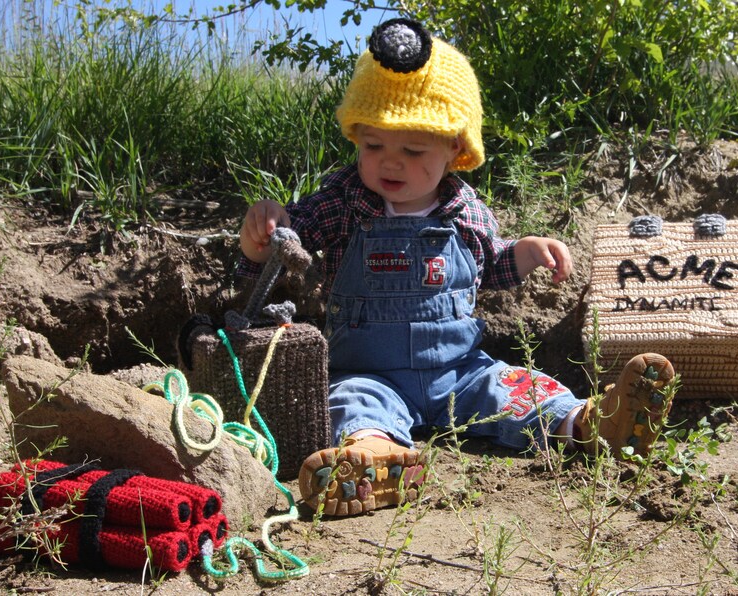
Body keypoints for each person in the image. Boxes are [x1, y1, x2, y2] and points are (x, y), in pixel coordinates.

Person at [237, 18, 675, 517]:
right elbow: (287, 250)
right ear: (356, 138)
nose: (390, 163)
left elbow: (488, 270)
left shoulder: (465, 209)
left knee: (517, 387)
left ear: (455, 150)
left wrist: (525, 252)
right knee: (349, 403)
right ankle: (375, 460)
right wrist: (264, 237)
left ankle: (594, 422)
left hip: (461, 371)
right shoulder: (343, 201)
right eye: (373, 145)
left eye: (413, 150)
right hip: (368, 371)